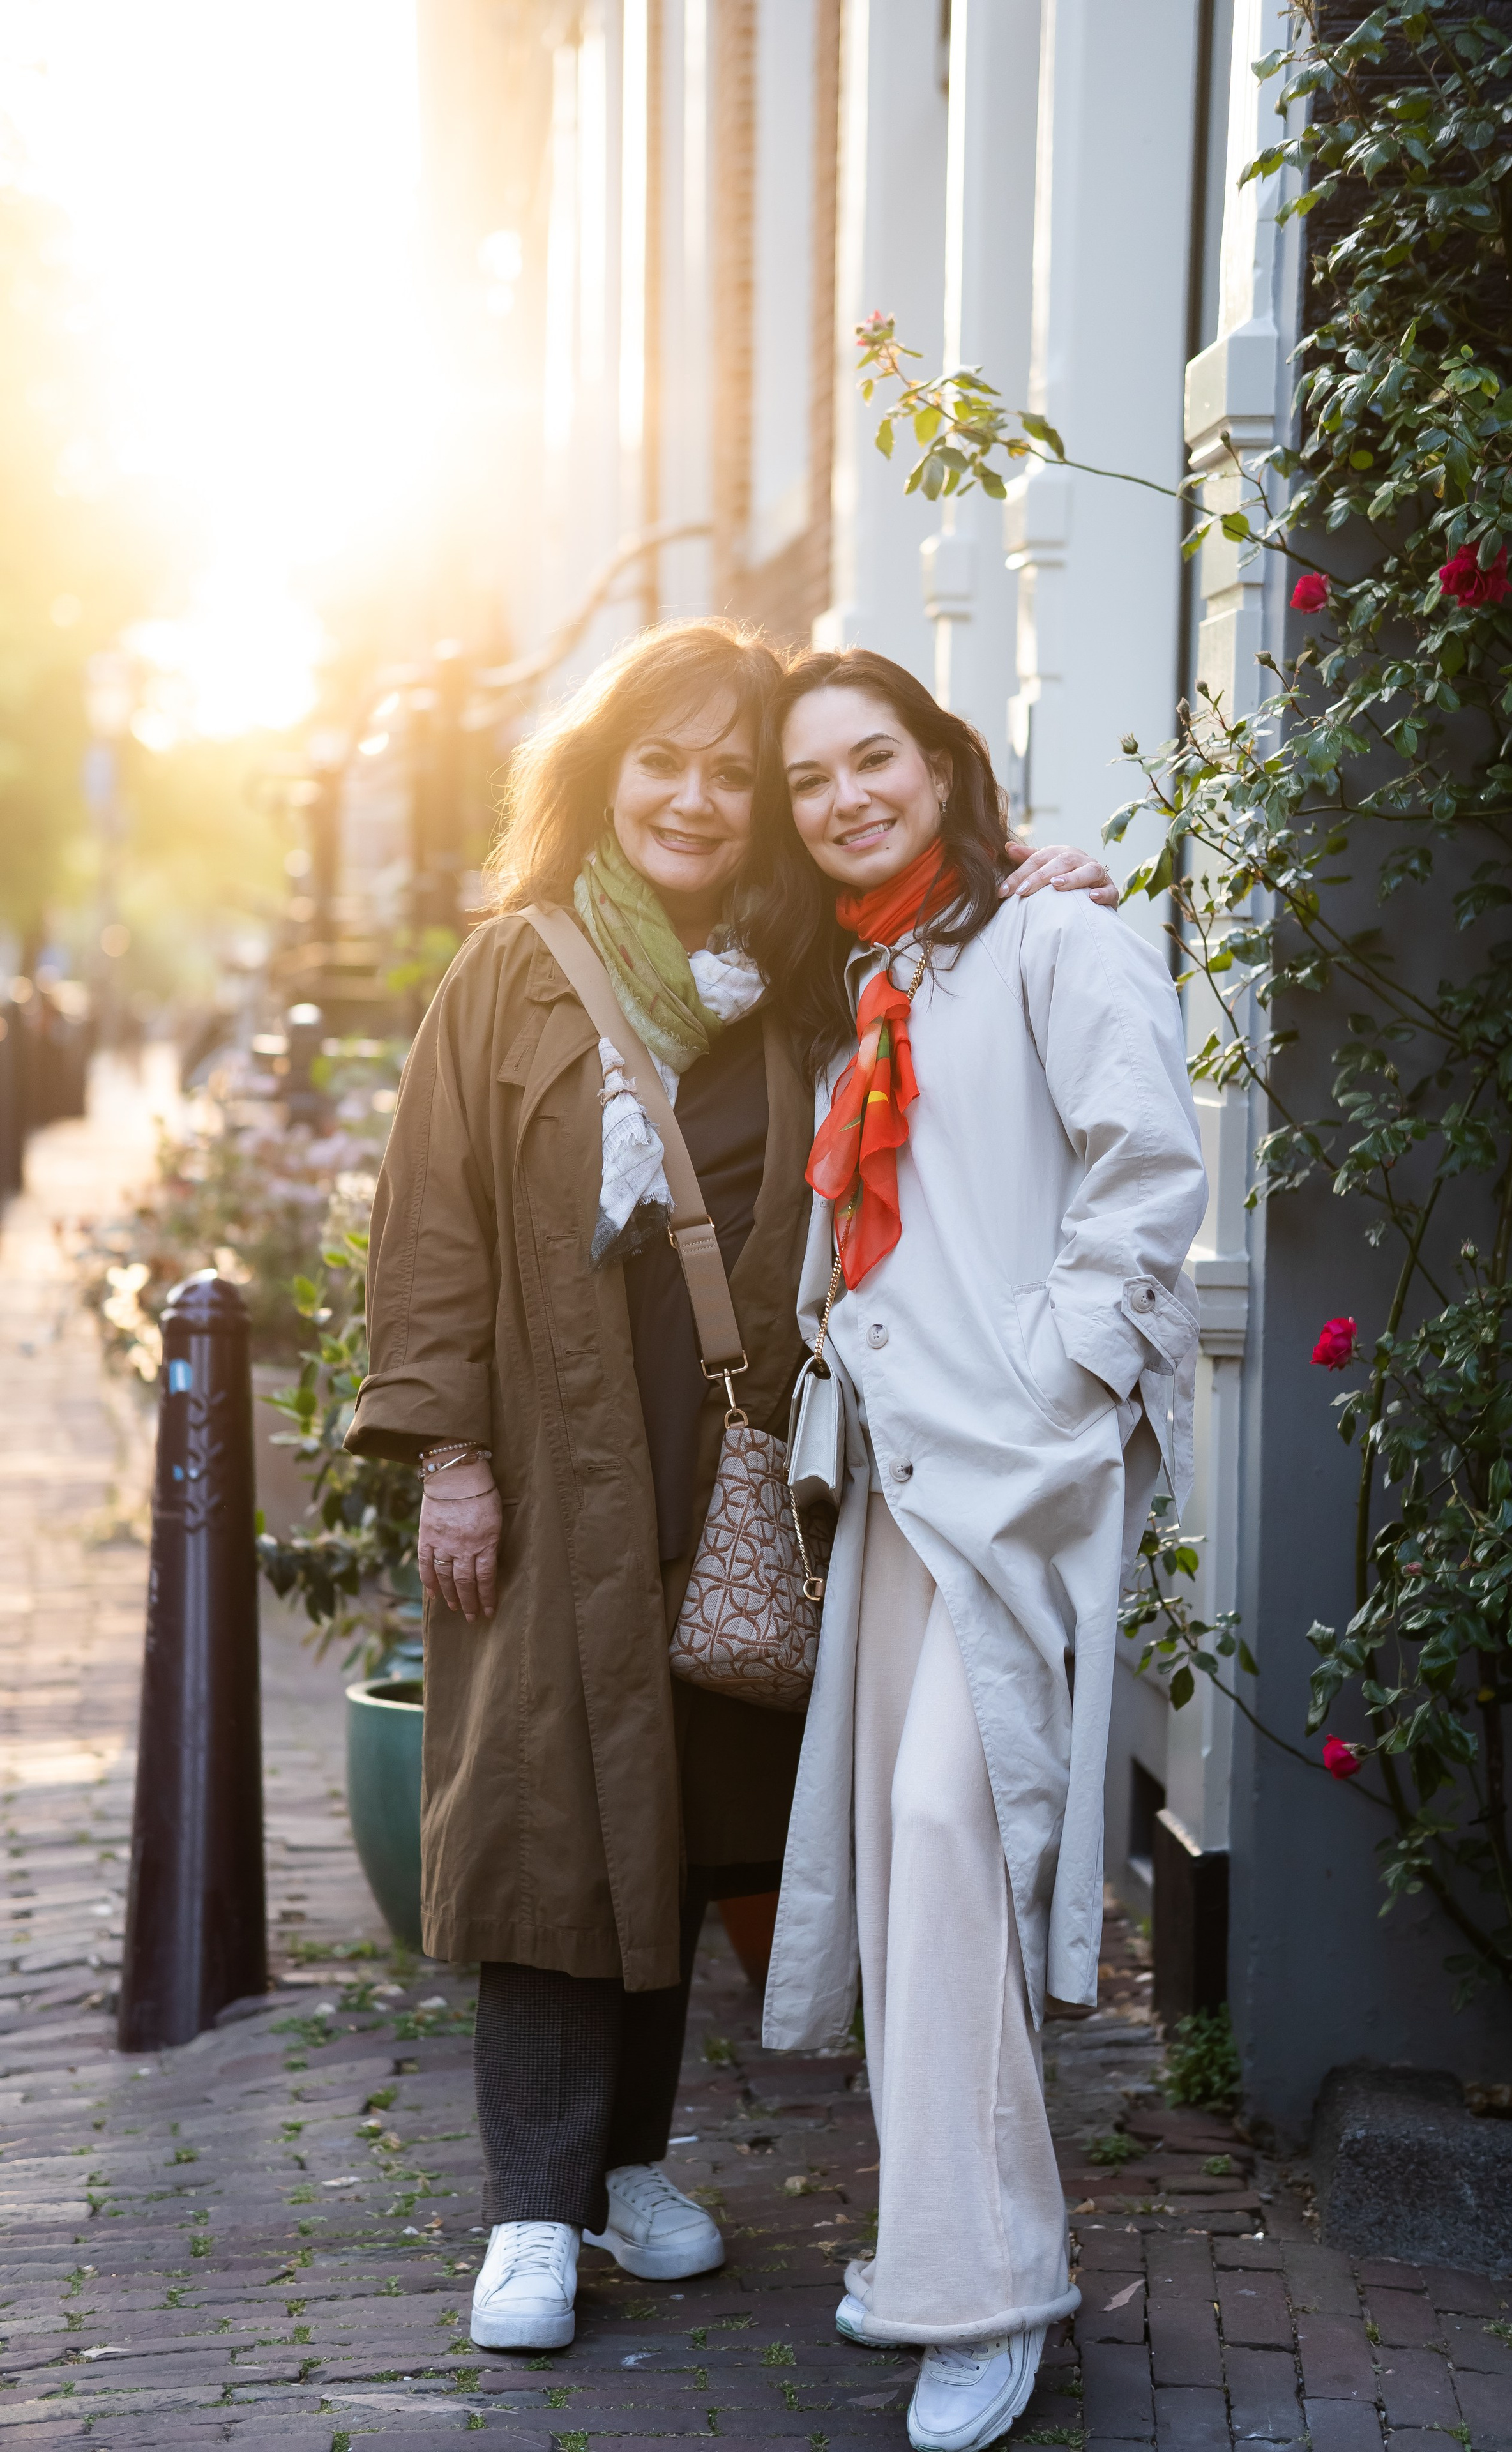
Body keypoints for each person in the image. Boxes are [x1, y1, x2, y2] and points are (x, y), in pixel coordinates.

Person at [345, 616, 1119, 2357]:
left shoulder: (809, 974)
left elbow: (960, 954)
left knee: (681, 1812)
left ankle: (623, 2168)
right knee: (556, 1814)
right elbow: (434, 1223)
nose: (694, 798)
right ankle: (533, 2211)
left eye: (725, 769)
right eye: (660, 761)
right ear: (604, 777)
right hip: (555, 1467)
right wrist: (451, 1458)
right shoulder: (514, 974)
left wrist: (1045, 865)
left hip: (751, 1469)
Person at [741, 648, 1209, 2452]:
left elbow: (1148, 1168)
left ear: (941, 763)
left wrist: (1067, 1375)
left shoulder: (1057, 936)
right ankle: (946, 2245)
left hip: (1010, 1472)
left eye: (876, 759)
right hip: (894, 1477)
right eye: (813, 780)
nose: (848, 795)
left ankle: (988, 2292)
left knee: (951, 1826)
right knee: (905, 1867)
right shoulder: (864, 971)